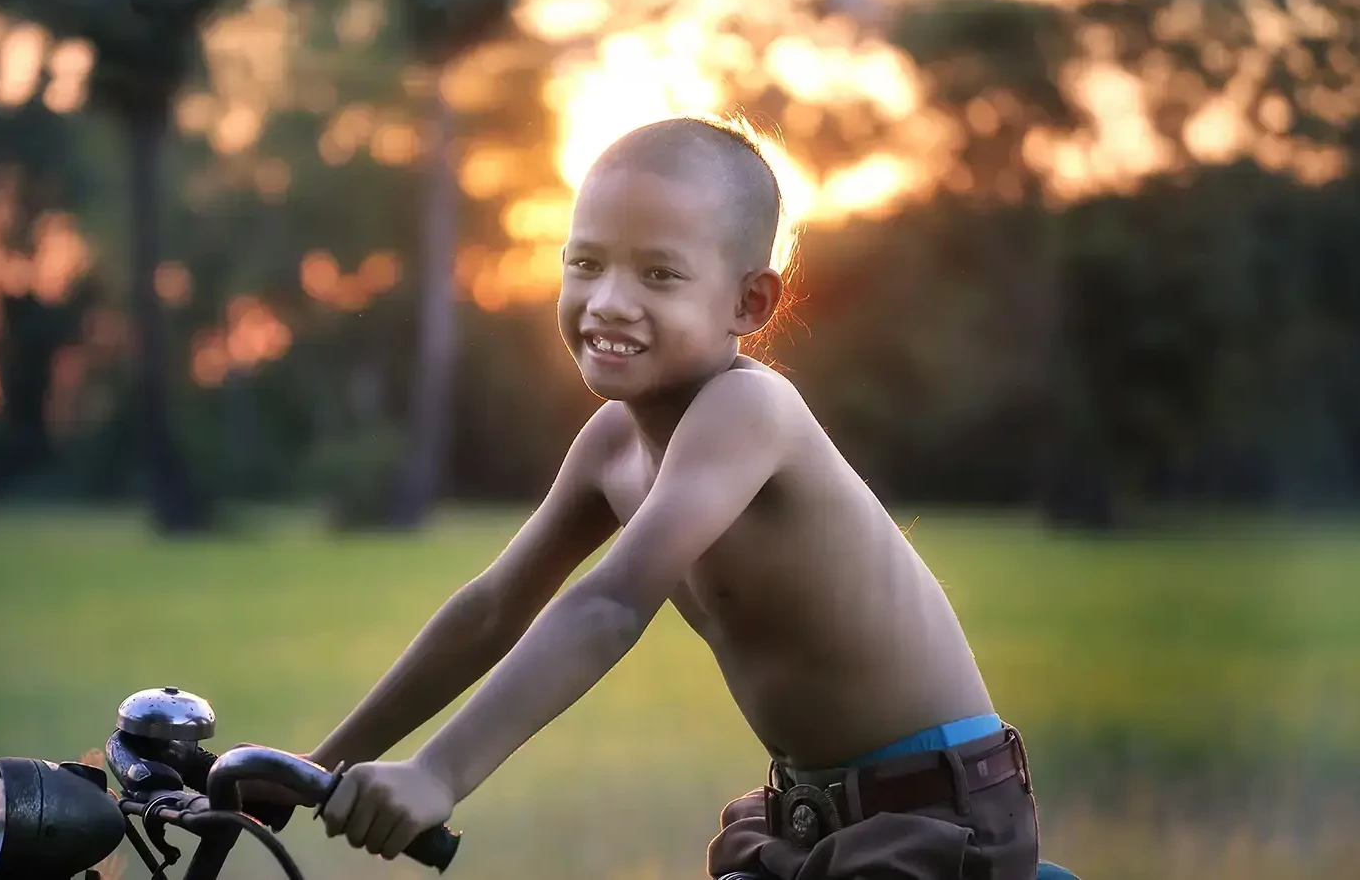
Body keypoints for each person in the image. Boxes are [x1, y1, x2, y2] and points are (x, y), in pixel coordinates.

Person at [263, 114, 1040, 879]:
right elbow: (493, 608)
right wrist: (314, 766)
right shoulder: (610, 445)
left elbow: (608, 603)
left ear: (749, 304)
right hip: (806, 819)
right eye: (584, 264)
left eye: (658, 273)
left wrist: (438, 773)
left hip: (937, 820)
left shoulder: (749, 411)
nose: (606, 300)